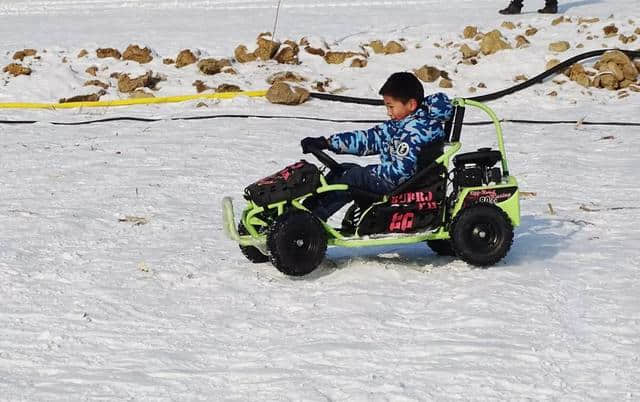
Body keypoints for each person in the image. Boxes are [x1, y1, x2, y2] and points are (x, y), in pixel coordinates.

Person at [300, 72, 453, 221]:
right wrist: (327, 143)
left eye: (391, 107)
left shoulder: (416, 131)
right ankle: (305, 210)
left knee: (355, 176)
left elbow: (402, 173)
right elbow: (369, 139)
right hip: (400, 181)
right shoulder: (402, 124)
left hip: (408, 185)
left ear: (411, 104)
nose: (388, 113)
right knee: (343, 170)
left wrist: (369, 172)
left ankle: (313, 220)